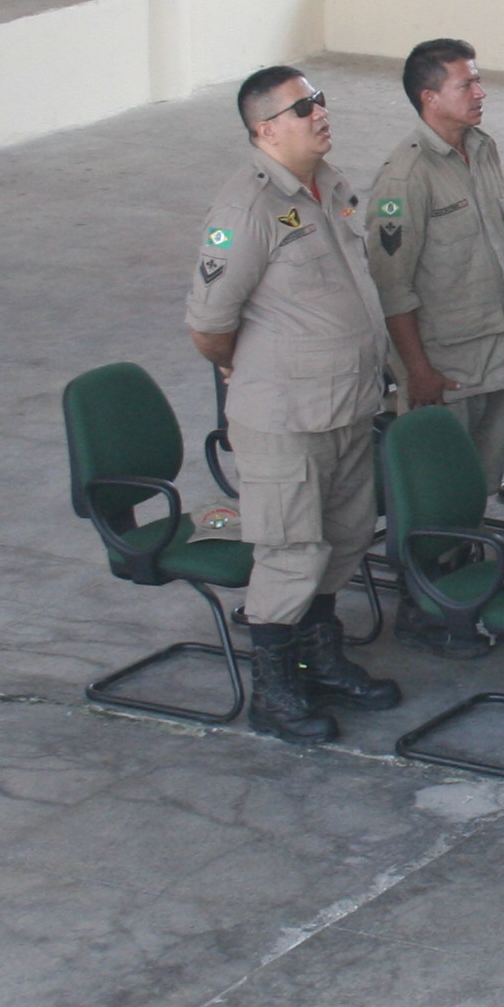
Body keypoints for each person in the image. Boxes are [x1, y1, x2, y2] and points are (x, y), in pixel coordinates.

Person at [187, 67, 404, 744]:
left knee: (343, 538)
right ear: (265, 129)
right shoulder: (246, 210)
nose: (320, 112)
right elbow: (208, 324)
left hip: (346, 405)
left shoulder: (328, 186)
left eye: (320, 100)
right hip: (285, 418)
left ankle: (320, 659)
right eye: (303, 106)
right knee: (289, 552)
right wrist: (244, 364)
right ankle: (275, 691)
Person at [366, 41, 504, 638]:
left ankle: (460, 591)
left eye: (479, 80)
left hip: (494, 349)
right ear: (430, 98)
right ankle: (421, 606)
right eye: (467, 84)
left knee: (477, 485)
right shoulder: (405, 177)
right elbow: (392, 289)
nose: (481, 92)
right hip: (445, 364)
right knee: (433, 494)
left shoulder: (481, 149)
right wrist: (418, 372)